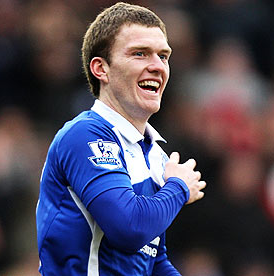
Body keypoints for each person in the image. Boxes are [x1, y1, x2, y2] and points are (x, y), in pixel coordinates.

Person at [36, 2, 206, 275]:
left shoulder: (156, 155)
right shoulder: (85, 135)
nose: (157, 66)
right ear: (101, 69)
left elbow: (152, 260)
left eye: (163, 56)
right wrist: (179, 188)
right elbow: (129, 227)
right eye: (140, 54)